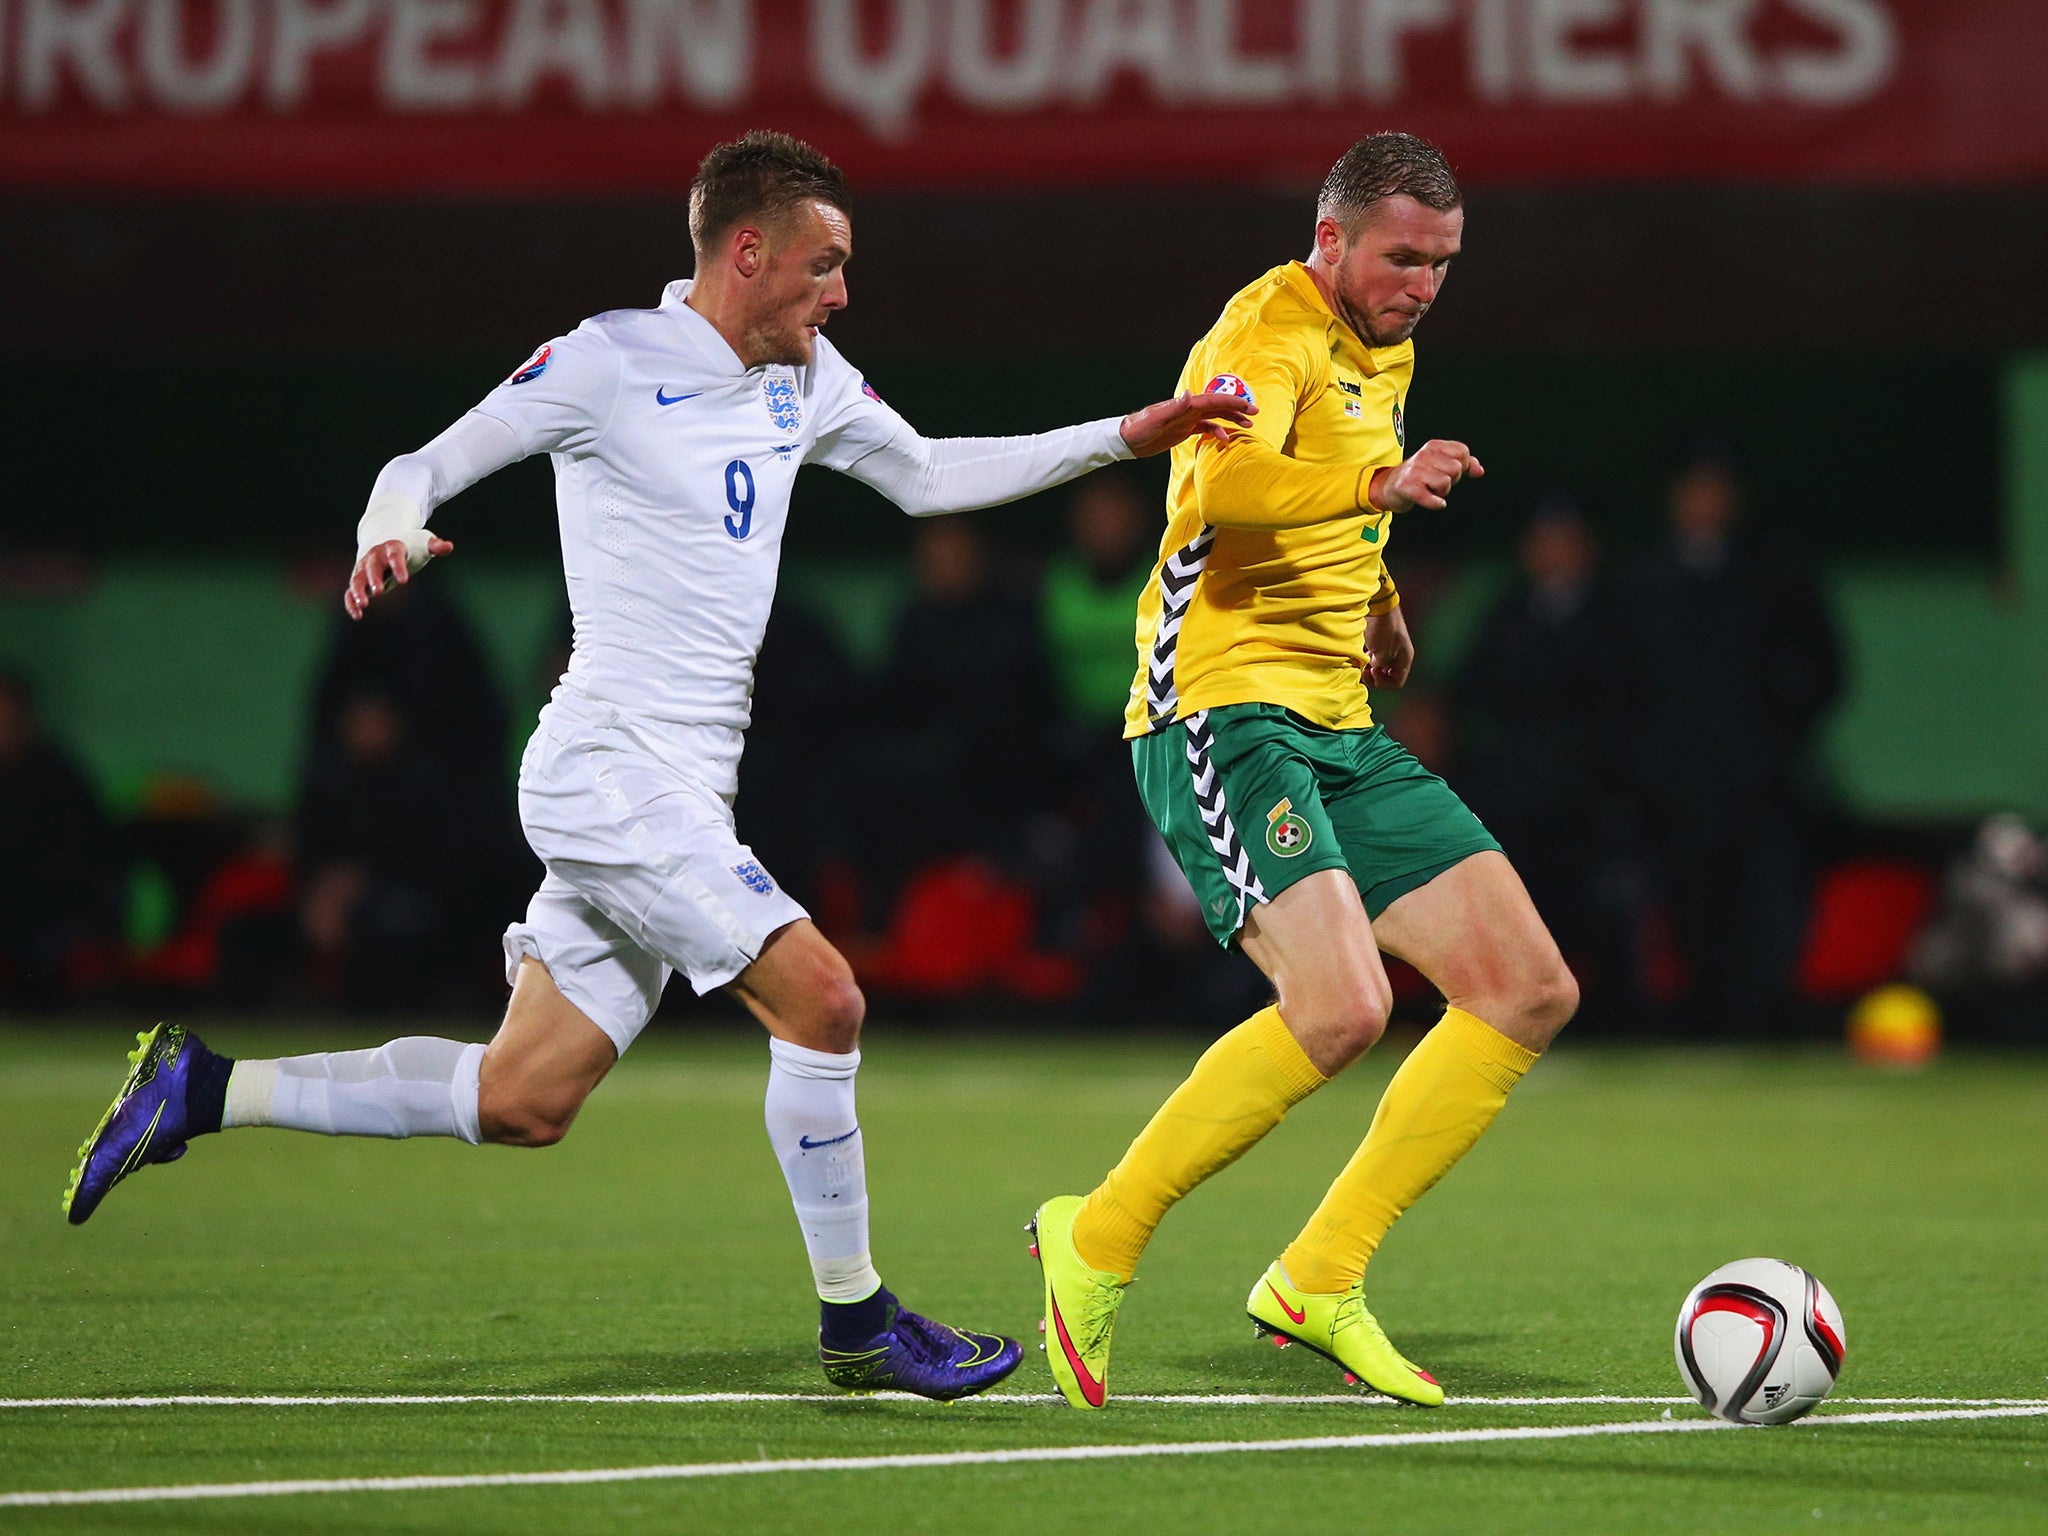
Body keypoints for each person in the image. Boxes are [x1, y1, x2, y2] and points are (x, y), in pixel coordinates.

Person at [62, 131, 1251, 1403]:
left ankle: (202, 1089)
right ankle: (857, 1322)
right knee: (826, 1001)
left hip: (682, 788)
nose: (840, 292)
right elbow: (425, 463)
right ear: (748, 253)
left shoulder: (804, 374)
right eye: (823, 265)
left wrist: (1128, 435)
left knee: (525, 1095)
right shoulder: (607, 358)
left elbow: (924, 475)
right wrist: (394, 530)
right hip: (604, 768)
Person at [1031, 133, 1579, 1410]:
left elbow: (1324, 500)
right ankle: (1095, 1239)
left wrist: (1378, 596)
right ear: (1329, 237)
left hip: (1335, 713)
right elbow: (1219, 490)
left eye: (1442, 264)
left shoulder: (1376, 340)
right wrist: (1380, 481)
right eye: (1401, 257)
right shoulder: (1264, 329)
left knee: (1523, 987)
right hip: (1222, 711)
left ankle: (1317, 1277)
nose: (1423, 285)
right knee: (1340, 1009)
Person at [1619, 441, 1842, 1035]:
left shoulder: (1777, 572)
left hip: (1762, 784)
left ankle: (1766, 1025)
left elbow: (1826, 670)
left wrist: (1774, 741)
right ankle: (1704, 1025)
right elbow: (1621, 685)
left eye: (1716, 489)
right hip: (1676, 788)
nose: (1704, 503)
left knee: (1767, 908)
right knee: (1692, 910)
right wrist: (1648, 763)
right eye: (1693, 489)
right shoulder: (1646, 578)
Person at [1451, 498, 1638, 1028]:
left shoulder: (1617, 617)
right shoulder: (1508, 615)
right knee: (1515, 924)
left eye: (1563, 539)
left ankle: (1620, 1030)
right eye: (1540, 540)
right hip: (1517, 802)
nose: (1550, 553)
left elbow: (1636, 710)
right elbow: (1470, 697)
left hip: (1593, 806)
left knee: (1602, 928)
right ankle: (1502, 1019)